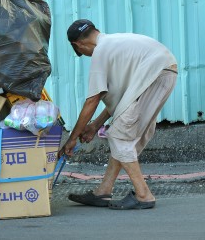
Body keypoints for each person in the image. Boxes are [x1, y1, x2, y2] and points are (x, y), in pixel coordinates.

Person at [58, 19, 177, 210]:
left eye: (81, 53)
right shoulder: (115, 44)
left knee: (120, 136)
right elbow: (121, 103)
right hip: (164, 72)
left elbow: (92, 100)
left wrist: (71, 139)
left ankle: (143, 195)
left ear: (78, 44)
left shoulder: (101, 52)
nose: (86, 56)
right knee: (121, 134)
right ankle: (103, 191)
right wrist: (95, 126)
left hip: (157, 74)